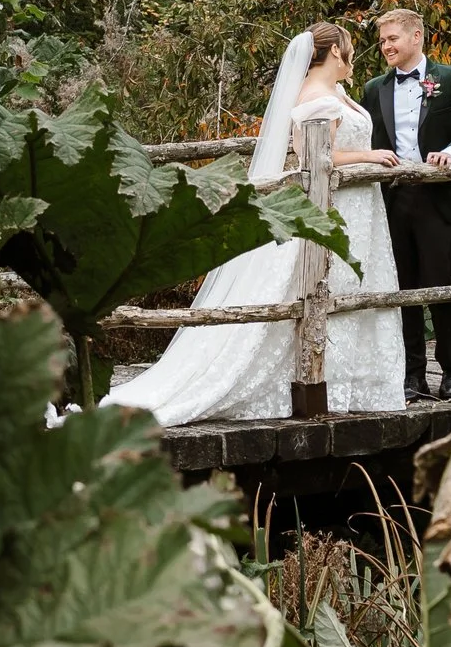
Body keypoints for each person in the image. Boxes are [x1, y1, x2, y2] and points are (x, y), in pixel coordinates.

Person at [101, 23, 405, 424]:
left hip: (360, 206)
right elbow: (315, 154)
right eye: (349, 48)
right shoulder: (317, 100)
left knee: (353, 288)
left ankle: (354, 383)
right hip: (336, 204)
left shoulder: (336, 94)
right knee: (326, 286)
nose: (353, 57)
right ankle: (315, 381)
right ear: (334, 52)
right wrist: (371, 156)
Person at [358, 8, 451, 401]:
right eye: (382, 41)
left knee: (440, 284)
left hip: (436, 195)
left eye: (392, 38)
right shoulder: (372, 88)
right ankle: (412, 374)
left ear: (416, 37)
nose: (386, 47)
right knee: (402, 287)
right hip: (392, 195)